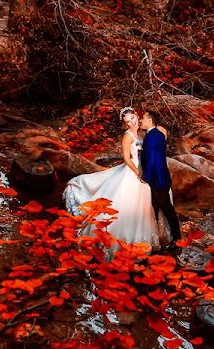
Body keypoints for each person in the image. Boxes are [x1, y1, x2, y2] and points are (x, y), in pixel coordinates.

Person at [63, 107, 171, 252]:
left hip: (150, 169)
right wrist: (138, 172)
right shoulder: (127, 136)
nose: (131, 123)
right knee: (129, 203)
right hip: (134, 169)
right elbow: (126, 158)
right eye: (127, 122)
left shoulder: (146, 130)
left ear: (136, 115)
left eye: (132, 119)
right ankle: (128, 237)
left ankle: (156, 233)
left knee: (151, 202)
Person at [138, 110, 182, 251]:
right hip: (160, 177)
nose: (141, 120)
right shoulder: (156, 134)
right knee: (155, 209)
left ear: (149, 121)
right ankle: (157, 238)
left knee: (167, 209)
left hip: (157, 179)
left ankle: (177, 239)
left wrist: (146, 177)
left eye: (143, 118)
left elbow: (153, 160)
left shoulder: (151, 137)